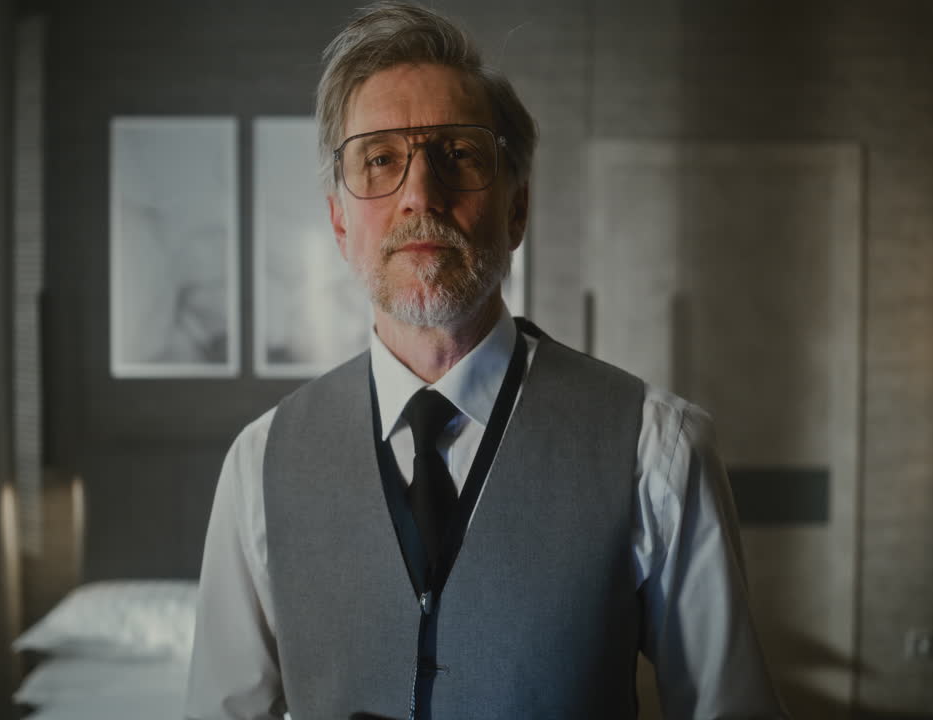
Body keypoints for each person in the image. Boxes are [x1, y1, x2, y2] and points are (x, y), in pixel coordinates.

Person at [185, 3, 785, 719]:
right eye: (380, 160)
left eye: (459, 156)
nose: (418, 194)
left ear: (518, 206)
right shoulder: (260, 466)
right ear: (340, 220)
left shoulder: (655, 450)